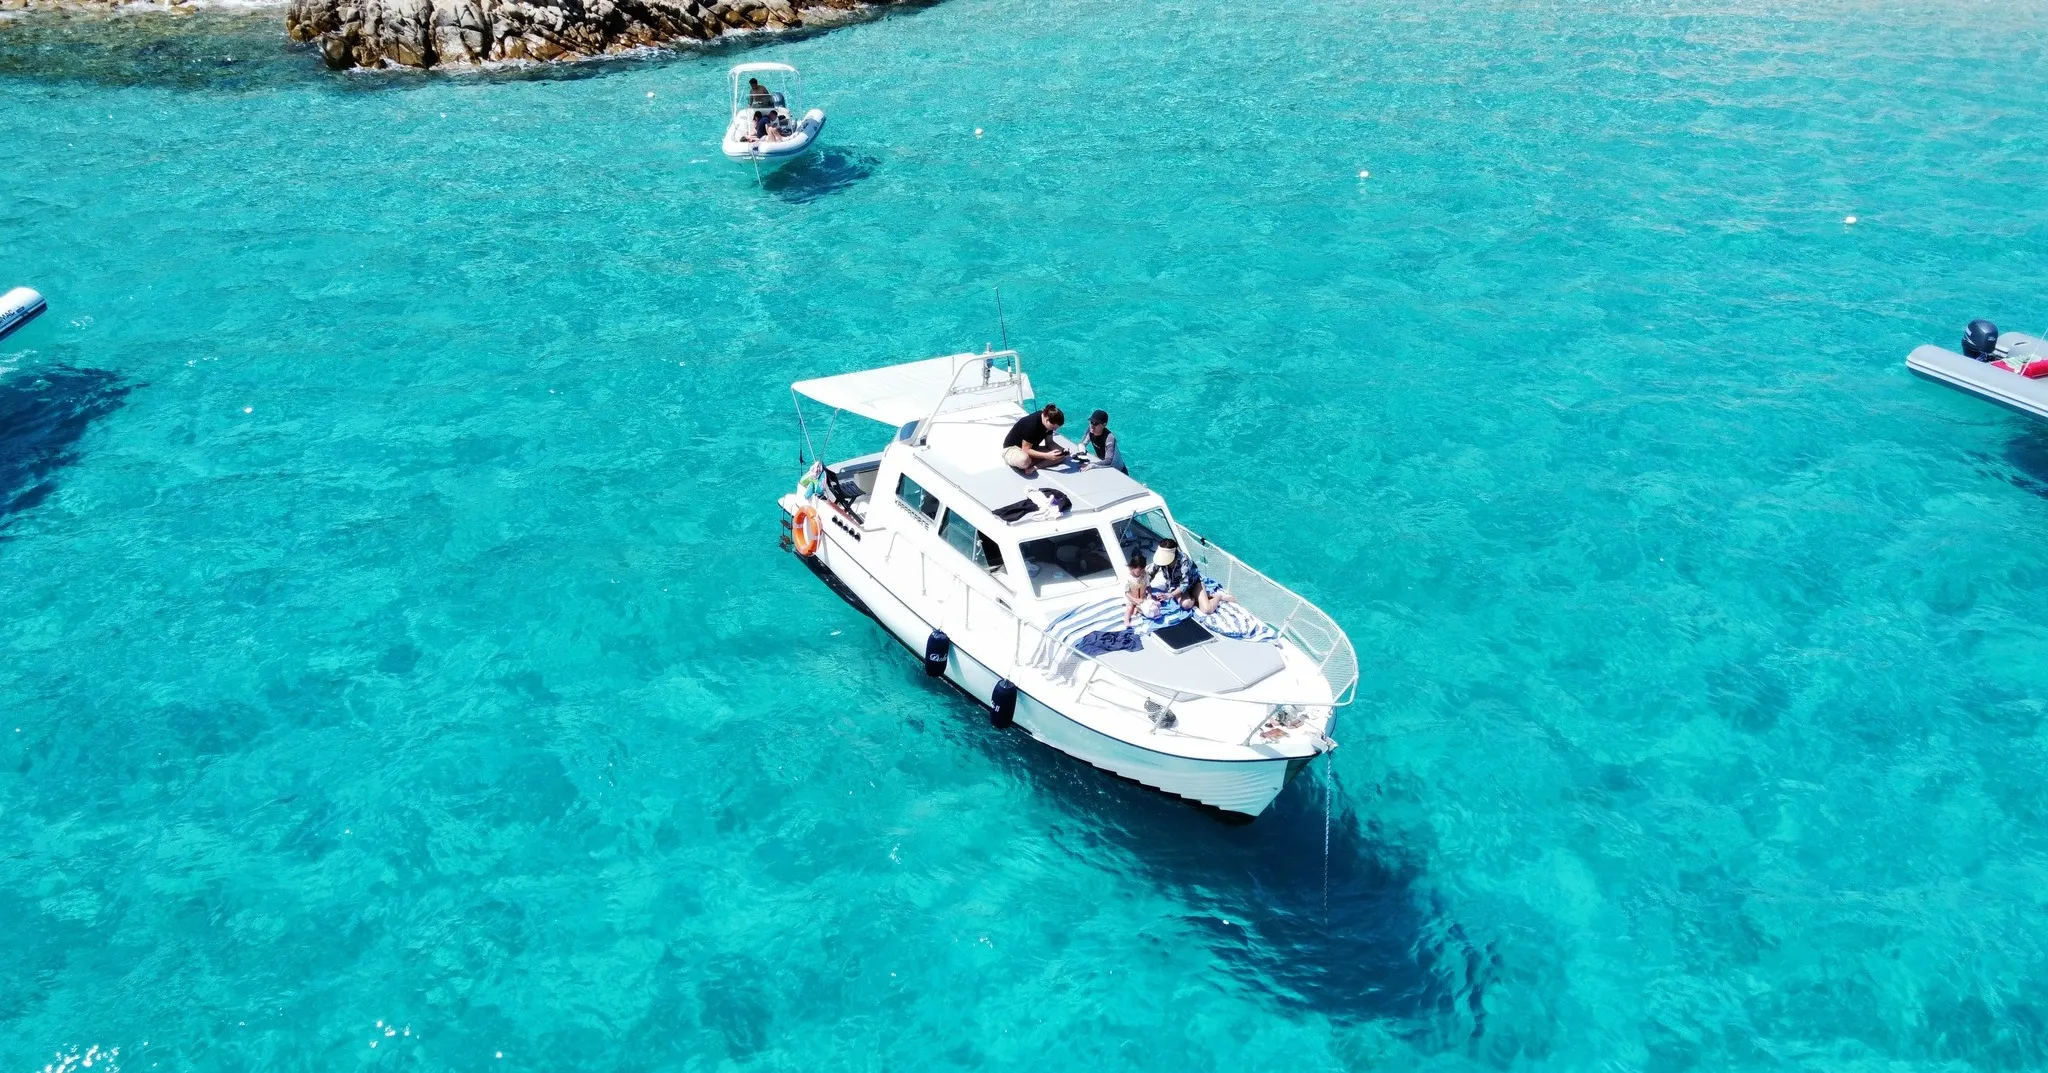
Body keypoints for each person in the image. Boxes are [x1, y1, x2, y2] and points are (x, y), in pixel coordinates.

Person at [1001, 403, 1068, 477]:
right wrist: (1046, 456)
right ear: (1047, 419)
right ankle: (1018, 460)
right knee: (1023, 461)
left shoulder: (1048, 424)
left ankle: (1034, 467)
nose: (1055, 430)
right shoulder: (1032, 424)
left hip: (1031, 448)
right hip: (1013, 448)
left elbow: (1050, 443)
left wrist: (1063, 451)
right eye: (1053, 428)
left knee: (1060, 455)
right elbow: (1025, 450)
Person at [1082, 409, 1127, 473]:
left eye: (1096, 423)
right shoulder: (1090, 430)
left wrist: (1091, 465)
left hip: (1118, 470)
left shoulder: (1109, 438)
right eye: (1091, 422)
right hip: (1102, 464)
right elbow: (1082, 444)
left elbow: (1109, 461)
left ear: (1104, 425)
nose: (1092, 426)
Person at [1123, 554, 1159, 626]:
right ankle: (1126, 621)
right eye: (1139, 571)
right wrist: (1135, 600)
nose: (1141, 573)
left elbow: (1149, 587)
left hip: (1142, 598)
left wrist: (1149, 594)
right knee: (1130, 608)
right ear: (1132, 568)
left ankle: (1138, 609)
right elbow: (1126, 593)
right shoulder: (1128, 578)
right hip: (1132, 598)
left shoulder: (1144, 575)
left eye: (1143, 570)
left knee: (1157, 604)